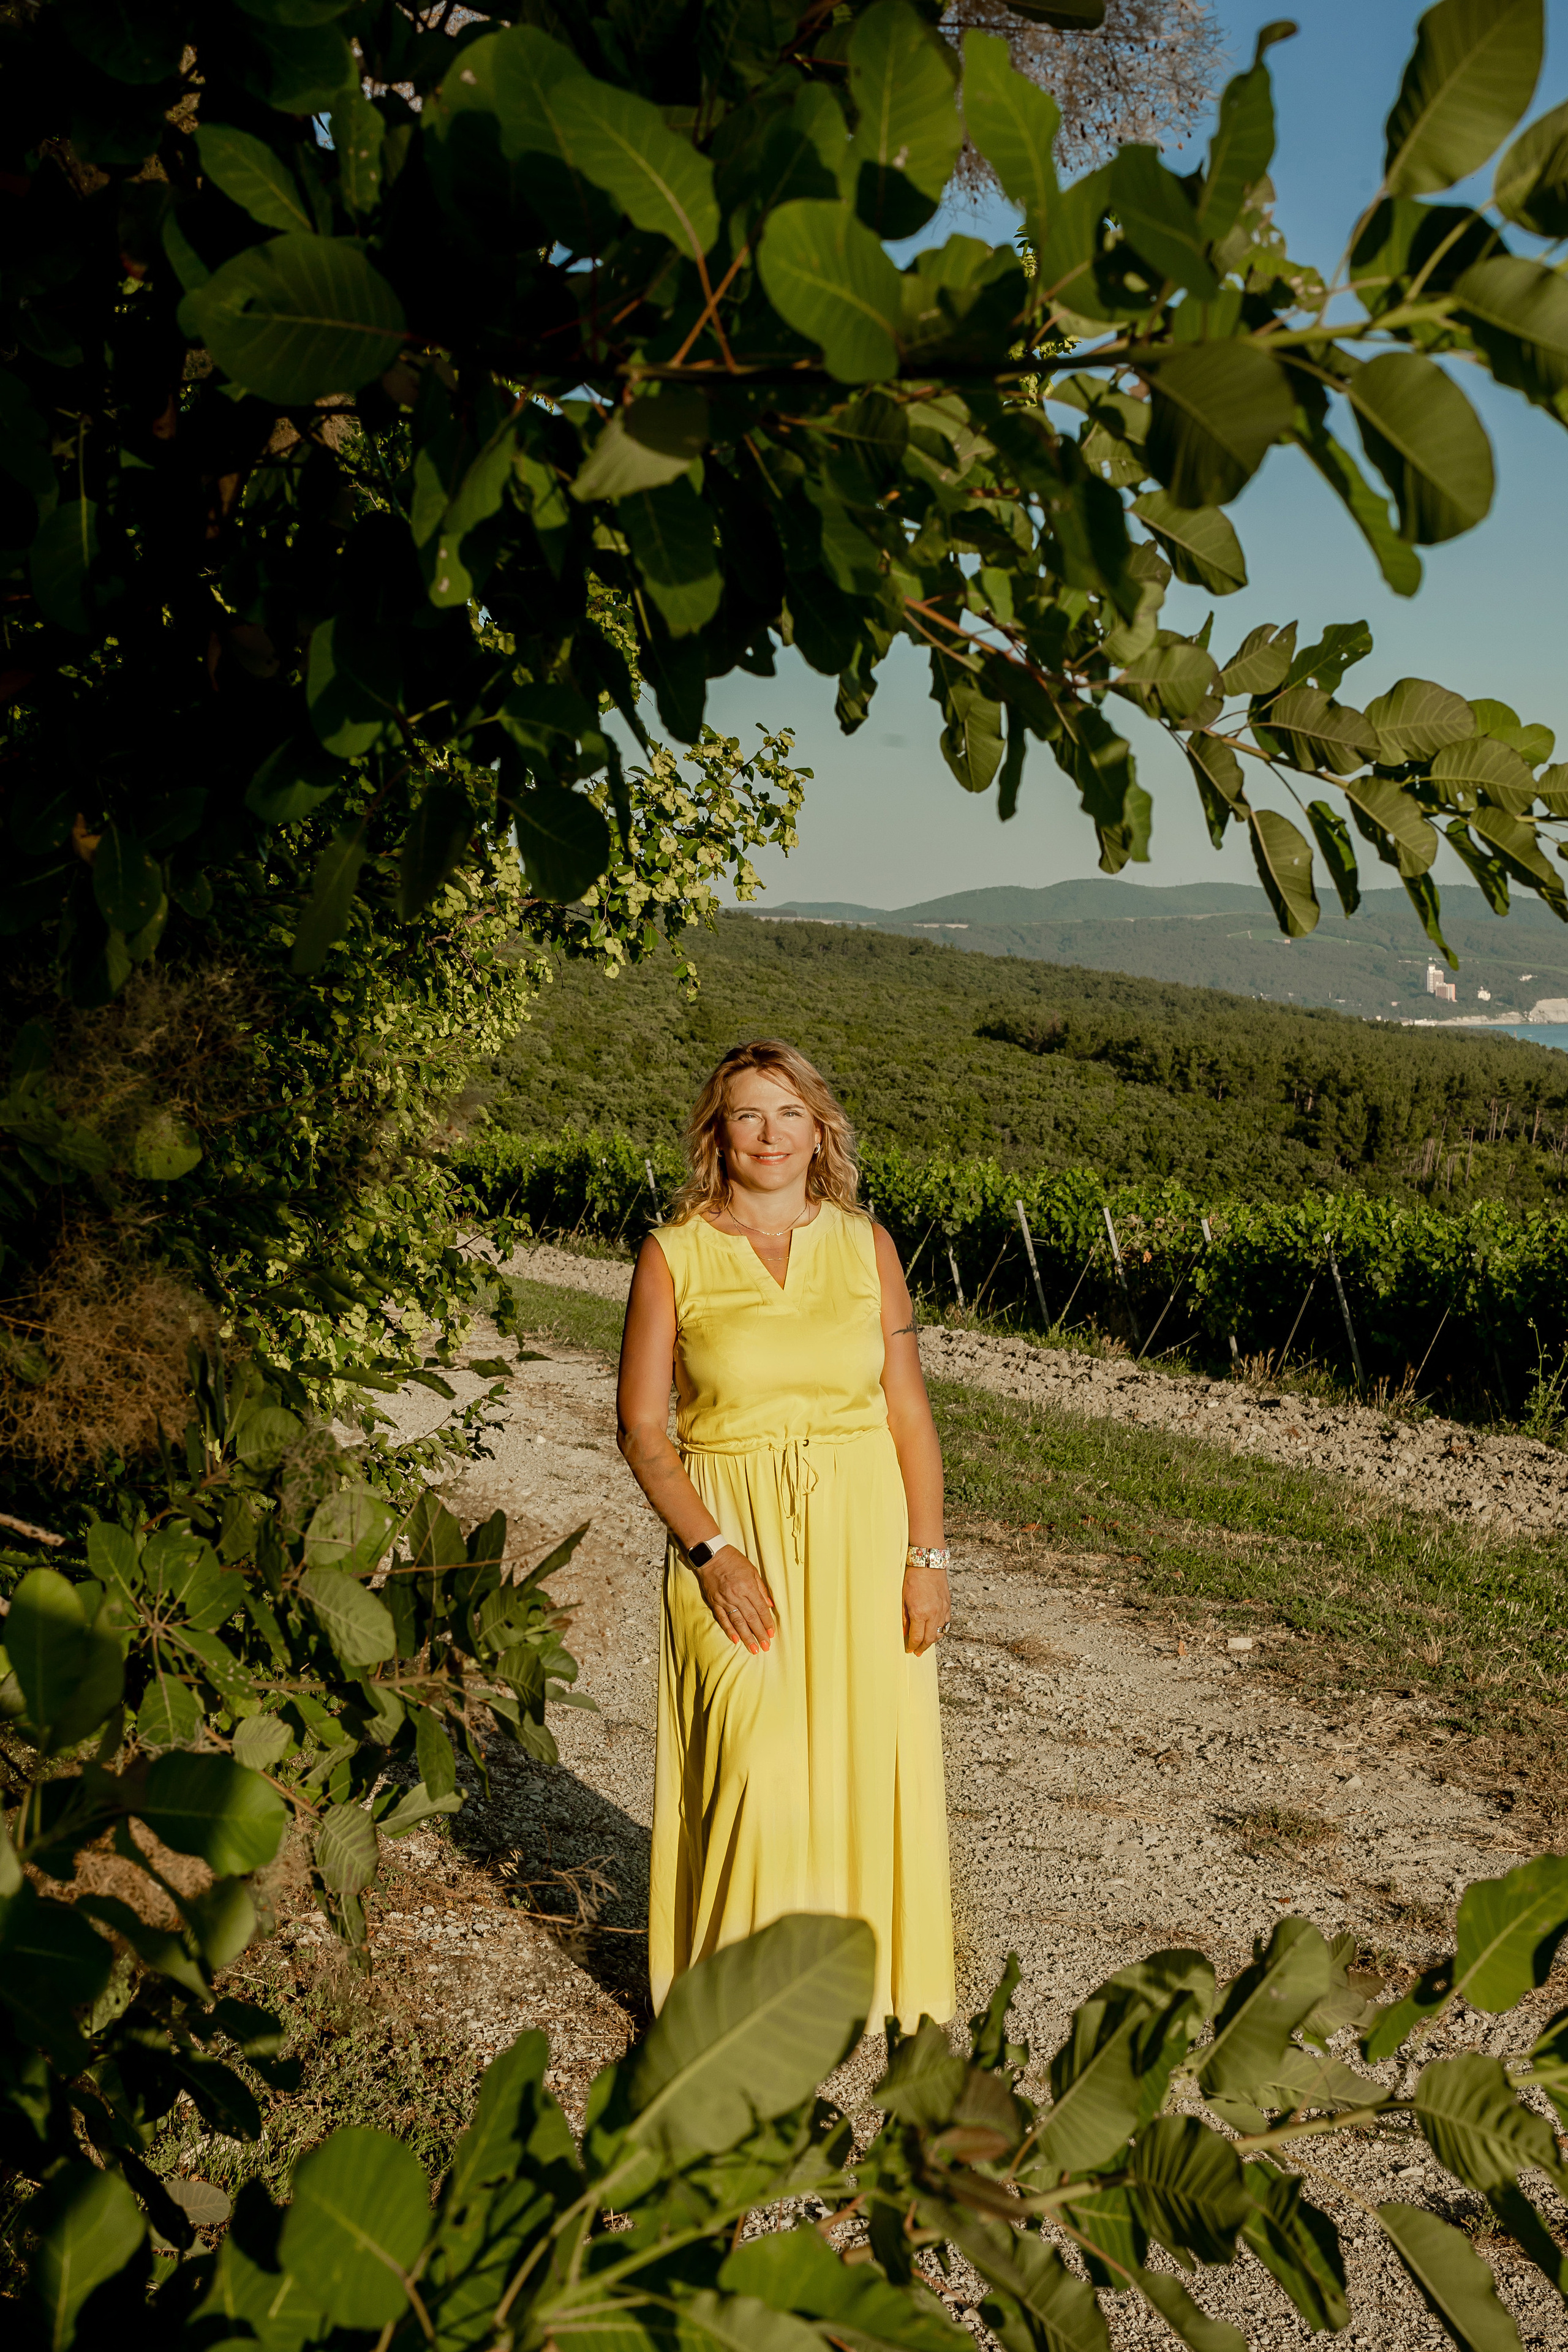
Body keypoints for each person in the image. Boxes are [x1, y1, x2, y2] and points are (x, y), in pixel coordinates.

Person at [616, 1038, 954, 2032]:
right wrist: (711, 1554)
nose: (770, 1135)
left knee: (862, 1759)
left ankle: (863, 1991)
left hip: (861, 1522)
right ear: (717, 1132)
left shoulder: (866, 1244)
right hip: (730, 1533)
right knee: (752, 1761)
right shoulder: (673, 1253)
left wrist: (926, 1557)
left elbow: (909, 1413)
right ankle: (735, 2016)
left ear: (821, 1130)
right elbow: (642, 1429)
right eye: (748, 1115)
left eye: (790, 1114)